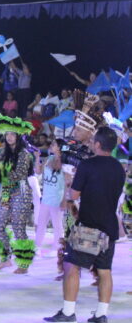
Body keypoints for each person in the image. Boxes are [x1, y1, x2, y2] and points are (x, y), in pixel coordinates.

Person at [44, 127, 126, 323]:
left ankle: (68, 312)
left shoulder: (87, 166)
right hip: (109, 227)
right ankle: (101, 314)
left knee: (71, 266)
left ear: (97, 144)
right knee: (105, 271)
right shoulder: (118, 168)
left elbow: (74, 195)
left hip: (87, 226)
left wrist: (72, 187)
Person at [0, 114, 37, 274]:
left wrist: (0, 173)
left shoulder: (24, 153)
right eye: (7, 134)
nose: (9, 137)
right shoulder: (3, 152)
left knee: (18, 227)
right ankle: (5, 259)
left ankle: (23, 263)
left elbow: (20, 173)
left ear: (18, 136)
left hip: (21, 193)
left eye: (12, 134)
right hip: (6, 192)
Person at [35, 142, 69, 256]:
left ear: (59, 148)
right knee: (41, 224)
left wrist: (64, 201)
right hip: (46, 198)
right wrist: (37, 158)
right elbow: (38, 171)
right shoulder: (49, 158)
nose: (51, 145)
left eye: (54, 144)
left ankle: (58, 248)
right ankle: (37, 247)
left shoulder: (65, 163)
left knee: (57, 225)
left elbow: (66, 185)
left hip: (56, 199)